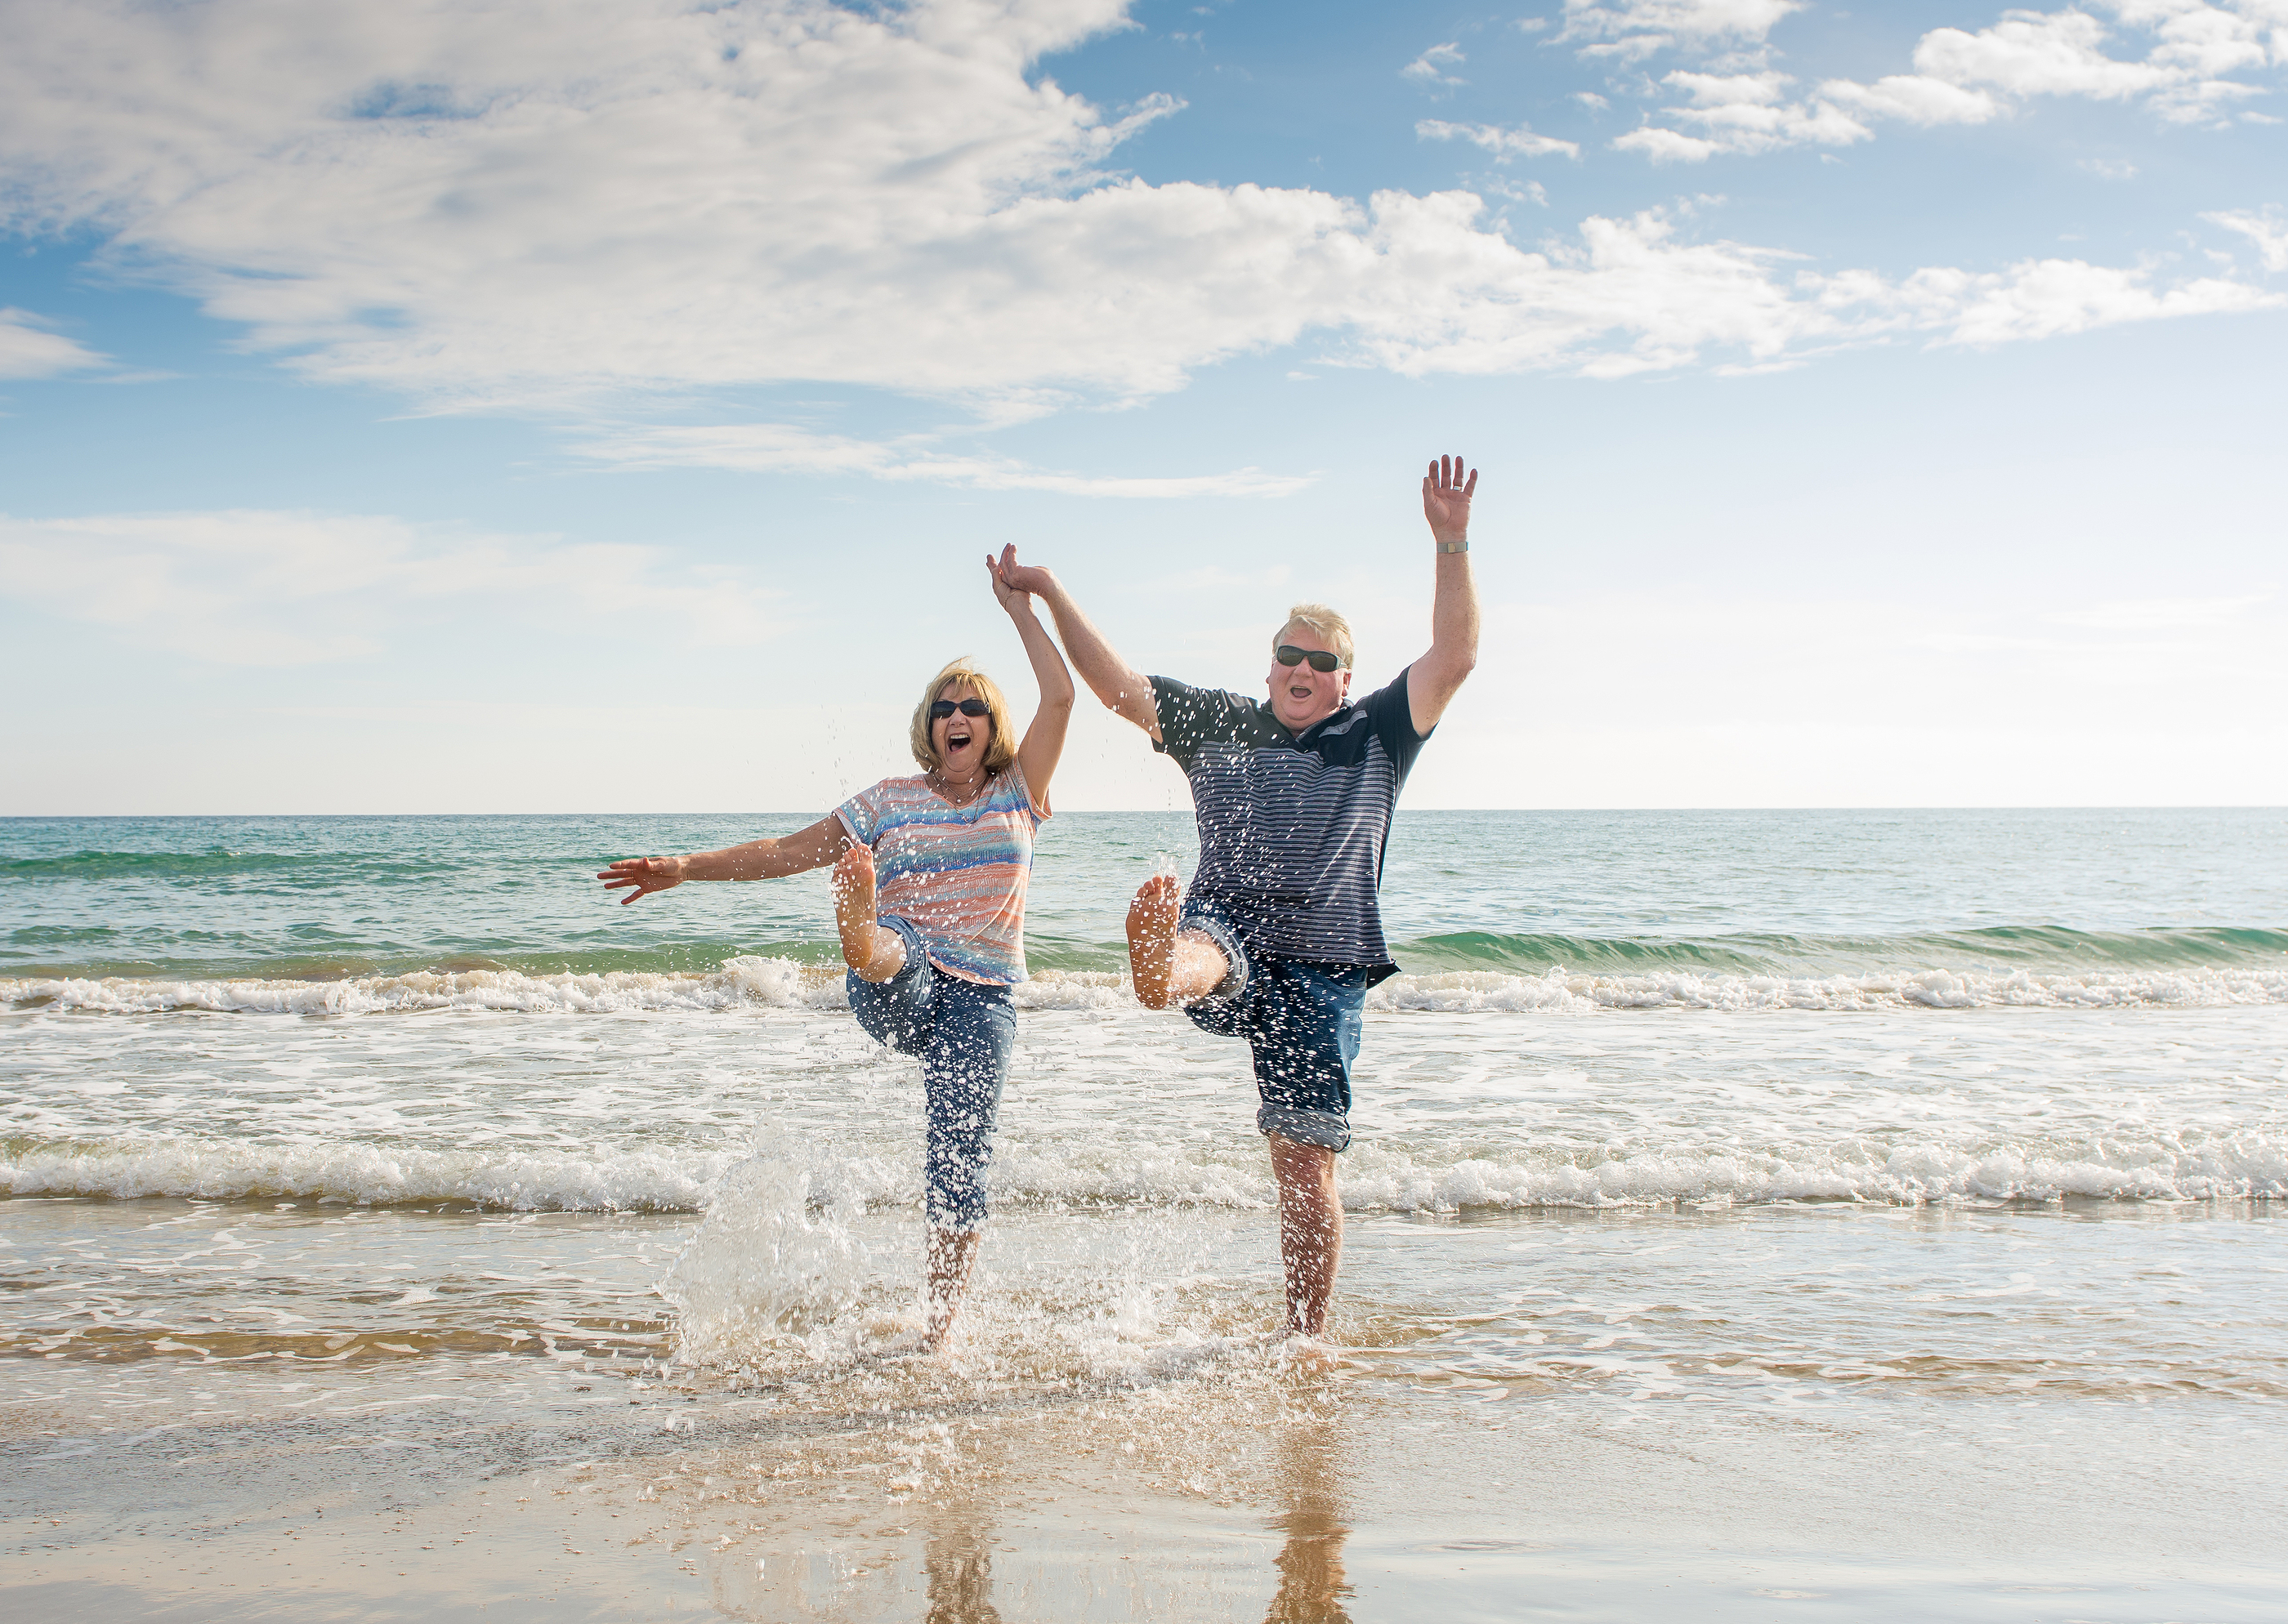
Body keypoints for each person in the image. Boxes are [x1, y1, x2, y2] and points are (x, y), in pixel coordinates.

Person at [994, 456, 1481, 1341]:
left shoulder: (1377, 732)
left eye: (1318, 659)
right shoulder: (1221, 723)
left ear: (1342, 677)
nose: (1299, 666)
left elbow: (1454, 657)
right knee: (1211, 948)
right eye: (1285, 653)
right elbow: (1115, 689)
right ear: (1268, 670)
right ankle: (1160, 968)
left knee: (1303, 1163)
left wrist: (1449, 541)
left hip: (1326, 970)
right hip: (1228, 927)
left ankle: (1305, 1337)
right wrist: (1051, 593)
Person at [597, 555, 1075, 1349]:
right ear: (928, 724)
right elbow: (785, 849)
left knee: (960, 1158)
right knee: (897, 953)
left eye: (973, 707)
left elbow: (1060, 694)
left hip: (983, 1001)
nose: (957, 716)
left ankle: (940, 1327)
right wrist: (684, 867)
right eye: (943, 706)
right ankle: (862, 935)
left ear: (992, 725)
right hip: (901, 976)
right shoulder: (888, 798)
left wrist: (1023, 605)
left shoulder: (1019, 788)